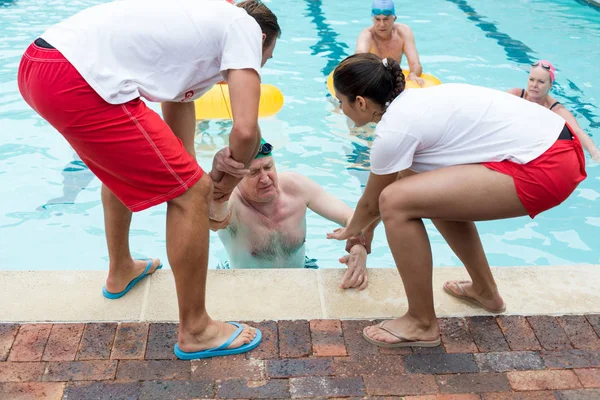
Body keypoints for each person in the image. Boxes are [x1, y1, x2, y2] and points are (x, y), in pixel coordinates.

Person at [18, 0, 281, 360]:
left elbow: (177, 115)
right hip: (74, 77)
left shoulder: (199, 26)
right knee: (192, 192)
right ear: (261, 38)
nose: (255, 68)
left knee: (135, 169)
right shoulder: (244, 28)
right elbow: (247, 130)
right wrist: (217, 193)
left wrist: (200, 183)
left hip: (40, 64)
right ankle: (197, 330)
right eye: (262, 61)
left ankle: (121, 269)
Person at [327, 53, 587, 348]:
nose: (340, 108)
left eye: (341, 101)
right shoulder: (416, 103)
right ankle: (485, 291)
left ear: (360, 102)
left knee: (396, 203)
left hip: (544, 165)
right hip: (559, 148)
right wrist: (365, 230)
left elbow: (376, 202)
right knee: (423, 194)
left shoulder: (394, 130)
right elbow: (400, 184)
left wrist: (352, 231)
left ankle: (421, 322)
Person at [208, 142, 369, 290]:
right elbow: (213, 218)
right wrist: (217, 179)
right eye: (254, 173)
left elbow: (353, 217)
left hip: (302, 272)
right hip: (246, 285)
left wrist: (358, 249)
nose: (264, 178)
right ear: (236, 179)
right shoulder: (231, 203)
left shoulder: (296, 187)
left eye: (268, 167)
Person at [508, 60, 600, 161]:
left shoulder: (556, 110)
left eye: (541, 81)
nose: (534, 85)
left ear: (550, 85)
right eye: (531, 79)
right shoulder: (515, 95)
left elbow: (577, 131)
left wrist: (594, 152)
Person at [355, 0, 424, 86]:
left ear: (394, 18)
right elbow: (358, 59)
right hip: (373, 80)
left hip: (394, 79)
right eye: (377, 19)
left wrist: (414, 74)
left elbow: (415, 63)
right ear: (372, 19)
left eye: (386, 19)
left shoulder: (403, 32)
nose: (382, 24)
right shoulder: (366, 35)